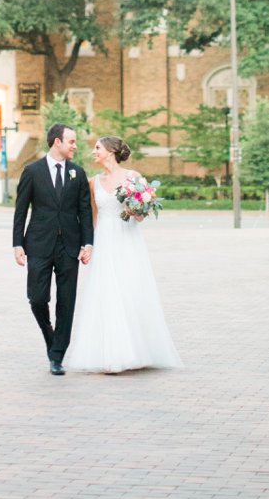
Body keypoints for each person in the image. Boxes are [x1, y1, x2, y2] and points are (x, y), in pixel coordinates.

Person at [64, 136, 182, 374]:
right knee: (106, 292)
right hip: (105, 241)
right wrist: (87, 245)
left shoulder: (133, 177)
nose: (93, 152)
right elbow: (93, 218)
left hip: (128, 240)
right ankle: (110, 354)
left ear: (111, 151)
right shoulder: (93, 182)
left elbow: (141, 216)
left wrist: (135, 210)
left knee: (130, 290)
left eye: (97, 148)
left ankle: (138, 350)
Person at [12, 123, 94, 375]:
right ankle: (51, 338)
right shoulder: (32, 171)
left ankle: (57, 356)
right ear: (57, 142)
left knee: (66, 302)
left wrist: (88, 243)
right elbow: (21, 209)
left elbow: (84, 212)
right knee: (37, 298)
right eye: (71, 141)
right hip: (38, 244)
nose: (75, 145)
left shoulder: (77, 173)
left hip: (70, 247)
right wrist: (17, 243)